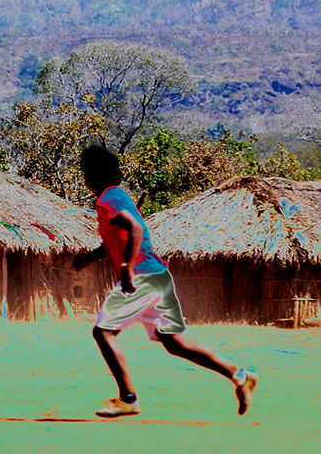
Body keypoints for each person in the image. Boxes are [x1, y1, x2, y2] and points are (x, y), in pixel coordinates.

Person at [74, 145, 258, 418]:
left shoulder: (107, 201)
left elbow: (135, 228)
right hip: (159, 277)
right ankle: (240, 375)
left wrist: (126, 268)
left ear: (92, 177)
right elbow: (118, 239)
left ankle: (128, 398)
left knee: (103, 332)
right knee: (175, 343)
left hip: (141, 276)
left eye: (85, 173)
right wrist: (88, 258)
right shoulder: (119, 196)